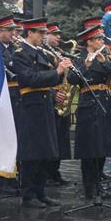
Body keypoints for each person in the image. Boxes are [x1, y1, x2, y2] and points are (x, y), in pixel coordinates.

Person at [12, 17, 71, 208]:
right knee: (31, 153)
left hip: (44, 105)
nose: (43, 36)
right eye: (40, 33)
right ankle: (28, 195)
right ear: (29, 33)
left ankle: (40, 191)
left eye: (45, 33)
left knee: (45, 152)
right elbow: (30, 79)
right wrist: (57, 72)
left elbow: (45, 82)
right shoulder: (21, 54)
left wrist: (55, 93)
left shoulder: (42, 53)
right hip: (31, 107)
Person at [68, 25, 111, 199]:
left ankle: (99, 183)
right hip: (88, 104)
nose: (102, 42)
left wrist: (103, 62)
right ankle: (89, 187)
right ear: (89, 42)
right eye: (98, 39)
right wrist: (86, 65)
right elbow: (72, 79)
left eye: (101, 39)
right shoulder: (79, 58)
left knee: (103, 146)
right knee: (89, 149)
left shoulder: (105, 57)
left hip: (105, 103)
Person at [0, 15, 22, 195]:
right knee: (2, 140)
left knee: (15, 140)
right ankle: (1, 181)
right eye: (10, 30)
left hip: (17, 97)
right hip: (3, 97)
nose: (14, 34)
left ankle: (14, 178)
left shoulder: (15, 49)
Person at [45, 22, 72, 186]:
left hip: (62, 95)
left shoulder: (60, 53)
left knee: (61, 139)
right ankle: (47, 173)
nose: (58, 37)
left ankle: (55, 171)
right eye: (54, 34)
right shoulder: (43, 53)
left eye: (58, 34)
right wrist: (54, 93)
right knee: (51, 137)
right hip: (50, 95)